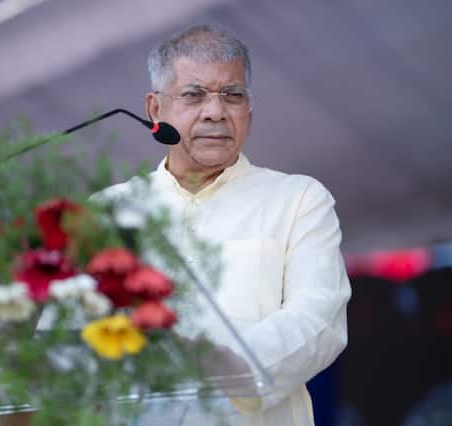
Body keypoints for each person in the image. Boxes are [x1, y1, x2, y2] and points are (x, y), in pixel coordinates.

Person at [104, 25, 352, 426]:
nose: (215, 112)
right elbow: (64, 340)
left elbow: (319, 321)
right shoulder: (109, 211)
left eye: (232, 95)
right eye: (194, 95)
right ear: (155, 109)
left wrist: (215, 365)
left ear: (249, 108)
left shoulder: (299, 199)